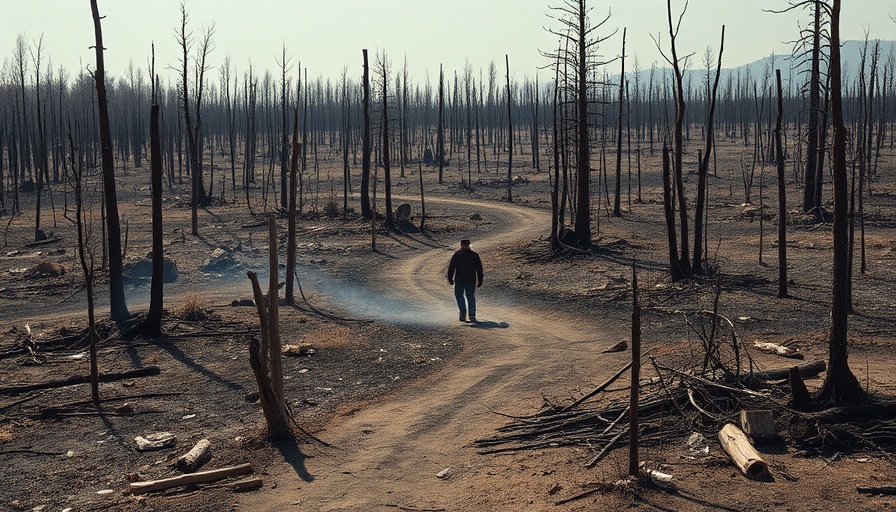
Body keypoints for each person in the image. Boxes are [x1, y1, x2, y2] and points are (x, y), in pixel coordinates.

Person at [447, 239, 483, 322]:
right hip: (471, 279)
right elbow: (479, 269)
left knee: (459, 295)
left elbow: (451, 268)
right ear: (469, 245)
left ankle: (463, 313)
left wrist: (450, 278)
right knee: (470, 296)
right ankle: (472, 315)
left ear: (461, 245)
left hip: (460, 279)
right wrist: (480, 280)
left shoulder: (457, 254)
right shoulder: (474, 255)